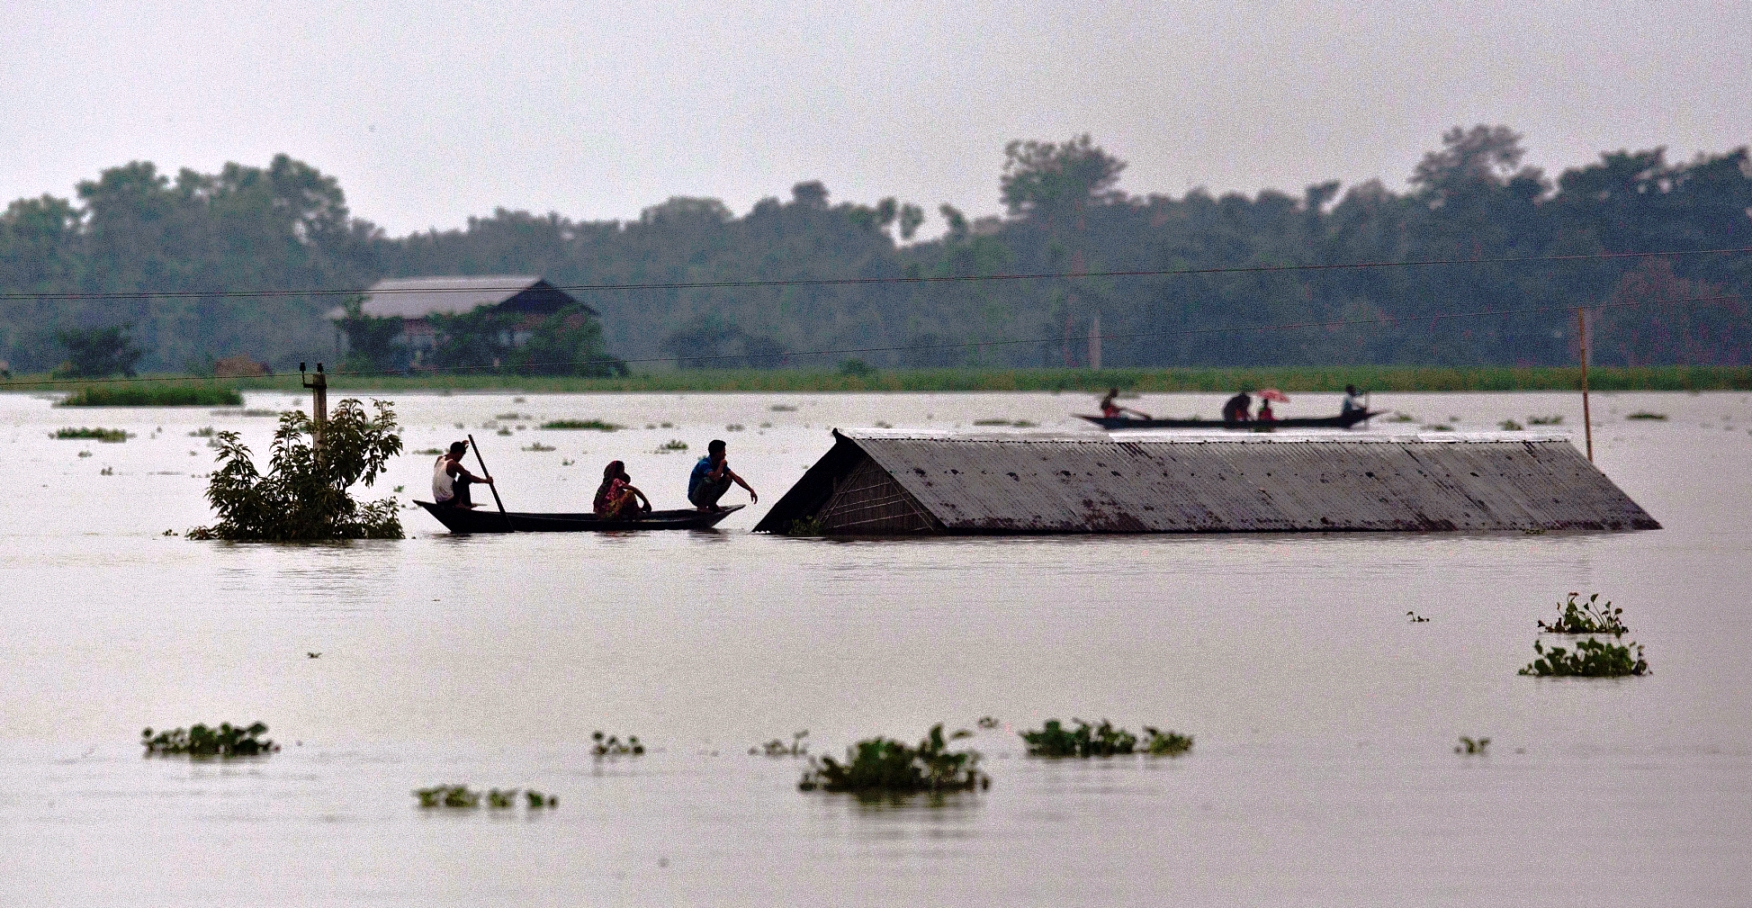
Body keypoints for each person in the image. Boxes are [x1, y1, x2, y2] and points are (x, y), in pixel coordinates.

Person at [688, 439, 758, 512]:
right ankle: (701, 506)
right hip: (695, 497)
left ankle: (712, 503)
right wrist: (722, 465)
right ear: (717, 453)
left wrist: (750, 490)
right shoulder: (704, 463)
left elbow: (736, 477)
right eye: (724, 451)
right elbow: (714, 478)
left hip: (707, 495)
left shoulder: (718, 463)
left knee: (728, 478)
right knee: (708, 481)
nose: (725, 454)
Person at [432, 440, 493, 508]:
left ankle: (461, 503)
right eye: (461, 455)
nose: (460, 458)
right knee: (465, 477)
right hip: (449, 500)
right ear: (458, 453)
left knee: (449, 480)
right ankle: (461, 504)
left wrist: (461, 446)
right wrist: (486, 481)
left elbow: (453, 452)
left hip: (438, 500)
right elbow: (470, 477)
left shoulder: (440, 458)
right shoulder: (453, 464)